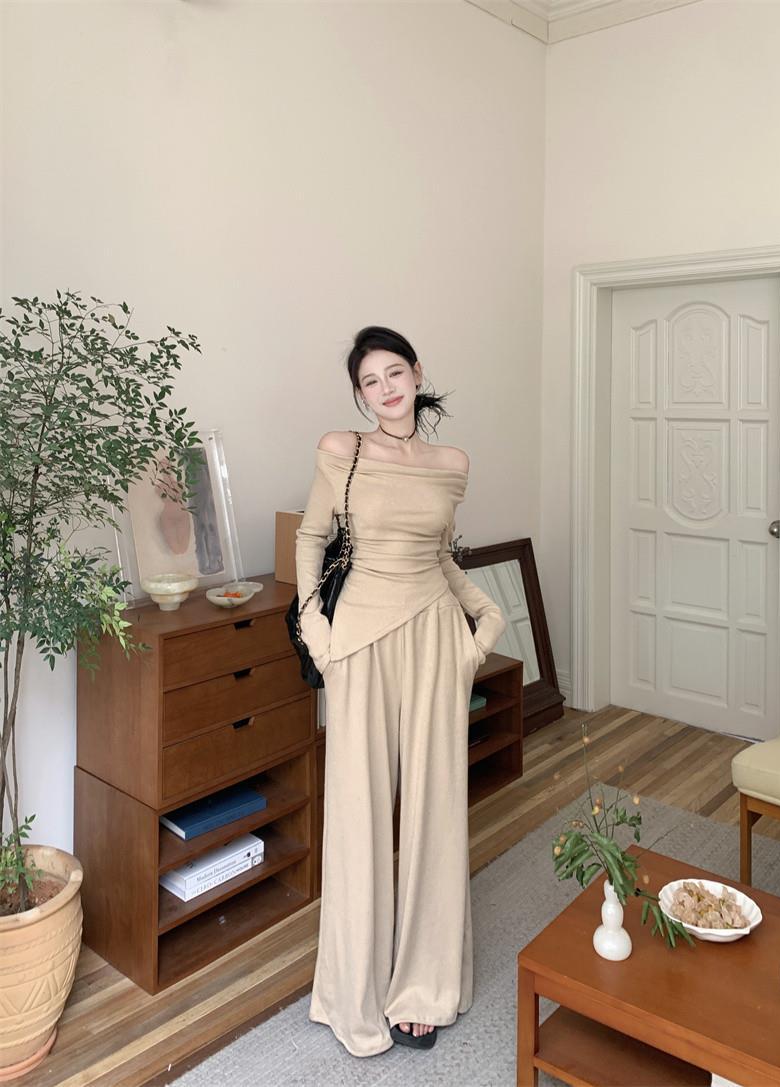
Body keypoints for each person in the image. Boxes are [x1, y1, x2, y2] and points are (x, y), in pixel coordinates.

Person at [295, 326, 506, 1057]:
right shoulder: (342, 450)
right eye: (369, 381)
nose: (385, 389)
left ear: (416, 373)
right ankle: (352, 991)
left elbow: (439, 555)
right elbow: (311, 538)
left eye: (394, 373)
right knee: (357, 813)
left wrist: (486, 619)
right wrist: (316, 631)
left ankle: (423, 985)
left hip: (436, 640)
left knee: (436, 809)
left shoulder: (453, 465)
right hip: (358, 640)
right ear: (359, 394)